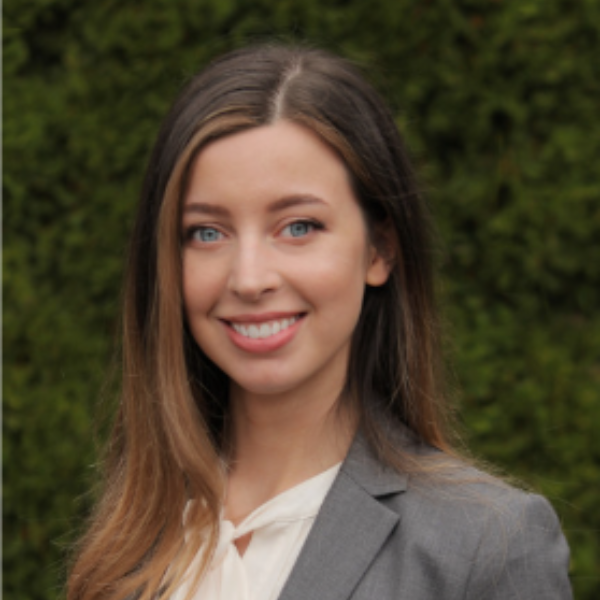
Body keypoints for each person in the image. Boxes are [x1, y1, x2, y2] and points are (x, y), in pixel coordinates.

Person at [67, 44, 572, 600]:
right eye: (207, 232)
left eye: (299, 226)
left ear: (379, 250)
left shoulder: (485, 545)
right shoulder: (131, 540)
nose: (250, 278)